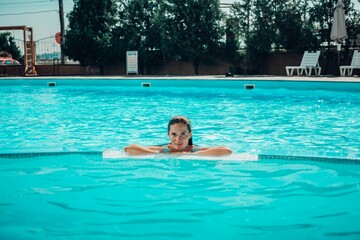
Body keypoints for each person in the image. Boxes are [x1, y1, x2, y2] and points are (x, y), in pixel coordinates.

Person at [124, 116, 232, 156]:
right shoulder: (165, 149)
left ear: (190, 134)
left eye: (183, 134)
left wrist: (190, 155)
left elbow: (227, 151)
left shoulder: (194, 150)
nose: (178, 139)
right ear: (168, 135)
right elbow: (129, 148)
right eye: (174, 134)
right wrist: (160, 154)